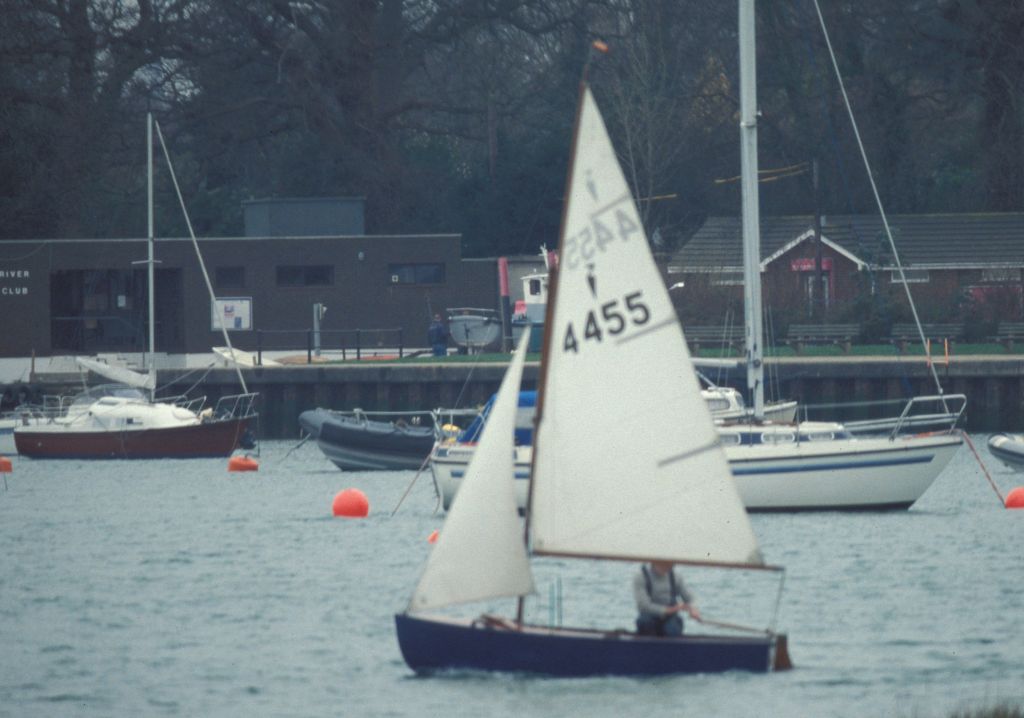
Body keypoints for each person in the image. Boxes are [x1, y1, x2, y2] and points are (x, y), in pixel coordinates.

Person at [633, 560, 701, 637]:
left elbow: (691, 599)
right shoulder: (641, 577)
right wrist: (673, 609)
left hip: (670, 618)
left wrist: (693, 609)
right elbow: (644, 606)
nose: (669, 566)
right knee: (645, 623)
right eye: (665, 563)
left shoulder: (676, 577)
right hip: (649, 615)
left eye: (670, 564)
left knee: (672, 630)